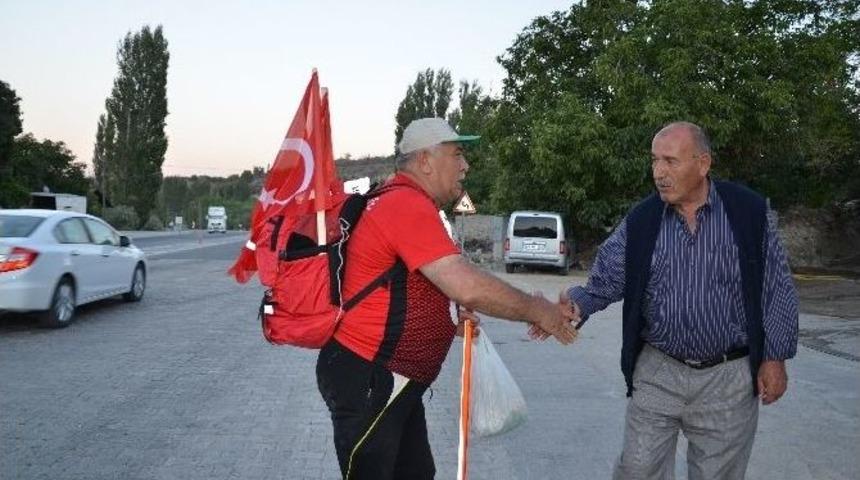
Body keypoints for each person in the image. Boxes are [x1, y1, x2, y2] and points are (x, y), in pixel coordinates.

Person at [316, 117, 579, 480]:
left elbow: (405, 283)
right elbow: (465, 285)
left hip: (390, 381)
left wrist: (445, 320)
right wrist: (538, 309)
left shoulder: (403, 201)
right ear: (425, 160)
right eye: (457, 154)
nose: (465, 165)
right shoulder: (405, 204)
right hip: (371, 379)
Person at [564, 121, 798, 479]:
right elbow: (607, 278)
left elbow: (776, 287)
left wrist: (775, 357)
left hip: (728, 378)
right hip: (659, 370)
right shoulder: (643, 219)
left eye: (670, 161)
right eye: (655, 161)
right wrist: (572, 307)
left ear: (703, 164)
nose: (659, 173)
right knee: (637, 468)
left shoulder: (747, 213)